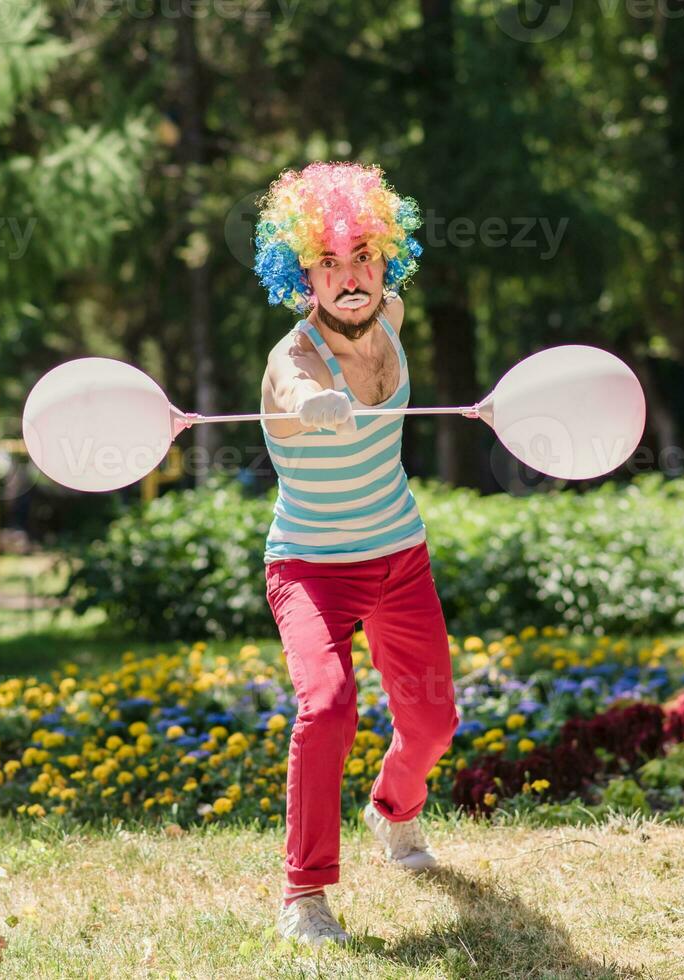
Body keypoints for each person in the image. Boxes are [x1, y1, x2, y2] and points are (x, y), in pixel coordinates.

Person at [253, 161, 461, 947]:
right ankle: (304, 895)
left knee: (435, 722)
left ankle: (393, 811)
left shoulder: (394, 319)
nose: (349, 277)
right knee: (328, 706)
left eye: (363, 257)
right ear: (302, 272)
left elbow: (386, 322)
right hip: (310, 568)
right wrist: (318, 408)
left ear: (385, 261)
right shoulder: (293, 359)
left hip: (400, 555)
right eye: (329, 263)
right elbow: (294, 392)